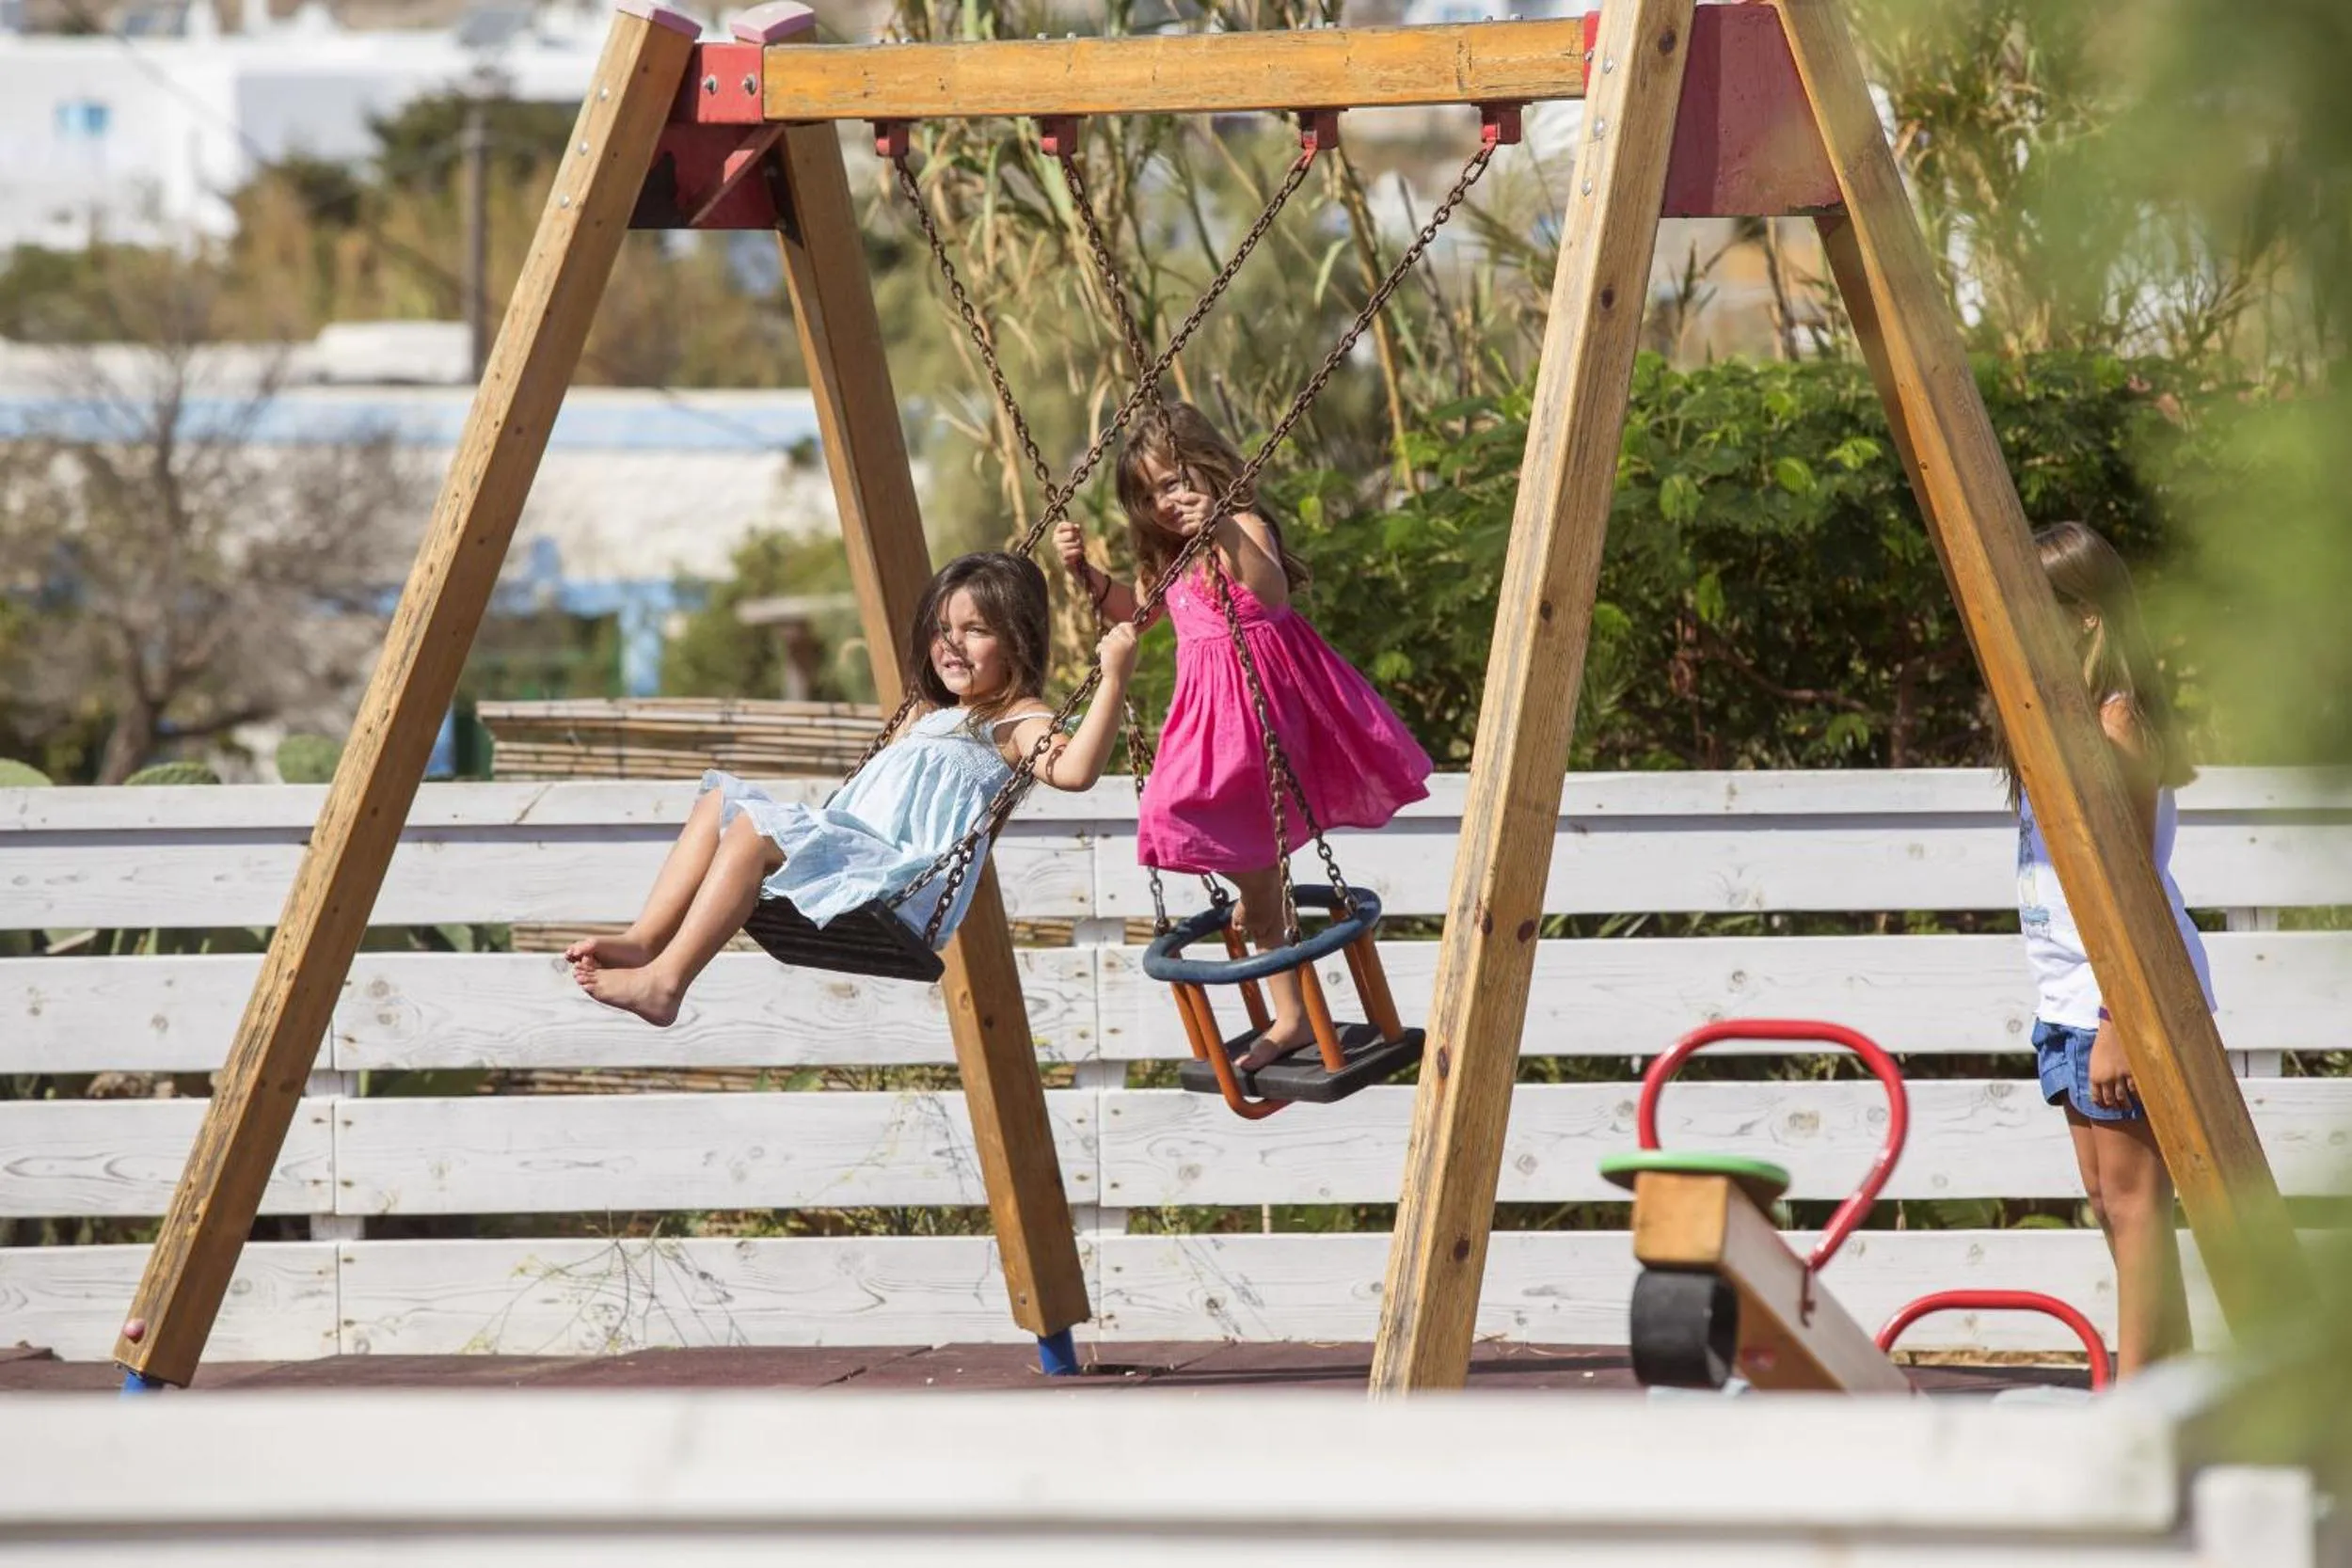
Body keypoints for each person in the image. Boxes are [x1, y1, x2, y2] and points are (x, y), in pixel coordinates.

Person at [570, 551, 1136, 1025]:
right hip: (852, 850)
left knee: (750, 832)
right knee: (719, 803)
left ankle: (666, 985)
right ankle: (647, 940)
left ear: (1017, 640)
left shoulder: (1017, 721)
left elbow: (1076, 771)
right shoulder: (938, 712)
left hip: (895, 879)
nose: (952, 645)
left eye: (976, 630)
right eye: (943, 629)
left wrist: (1113, 678)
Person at [1057, 403, 1431, 1070]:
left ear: (1207, 466)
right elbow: (1138, 614)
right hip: (1210, 714)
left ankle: (1285, 1003)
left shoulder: (1242, 525)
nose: (1165, 502)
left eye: (1173, 482)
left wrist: (1222, 526)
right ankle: (1260, 903)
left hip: (1259, 711)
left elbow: (1272, 591)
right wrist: (1086, 576)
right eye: (1149, 494)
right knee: (1188, 822)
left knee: (1193, 815)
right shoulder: (1169, 558)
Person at [2003, 520, 2213, 1376]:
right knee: (2110, 1203)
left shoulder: (2117, 721)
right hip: (2066, 993)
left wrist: (2120, 1014)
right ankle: (2174, 1385)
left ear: (2087, 617)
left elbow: (2127, 881)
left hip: (2113, 995)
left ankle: (2131, 1410)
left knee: (2133, 1208)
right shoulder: (2060, 721)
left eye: (2037, 608)